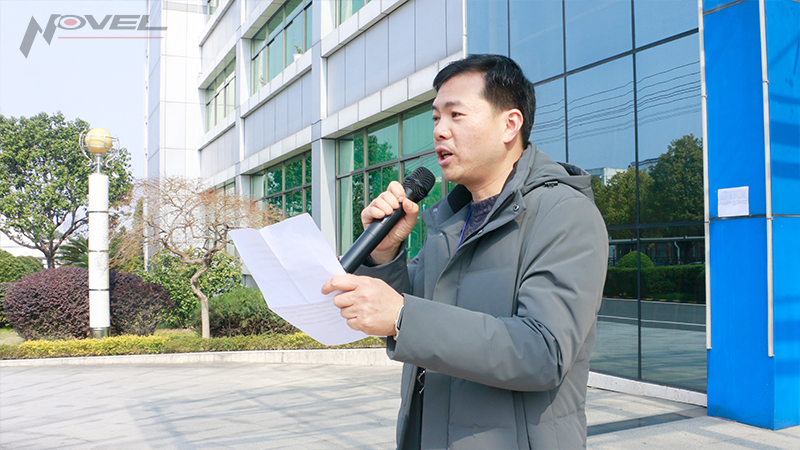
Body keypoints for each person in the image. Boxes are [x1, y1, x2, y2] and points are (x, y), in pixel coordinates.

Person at [322, 54, 608, 450]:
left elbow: (543, 352)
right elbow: (415, 310)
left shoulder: (564, 213)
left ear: (510, 125)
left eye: (456, 115)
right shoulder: (451, 220)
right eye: (436, 118)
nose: (440, 130)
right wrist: (384, 254)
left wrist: (403, 317)